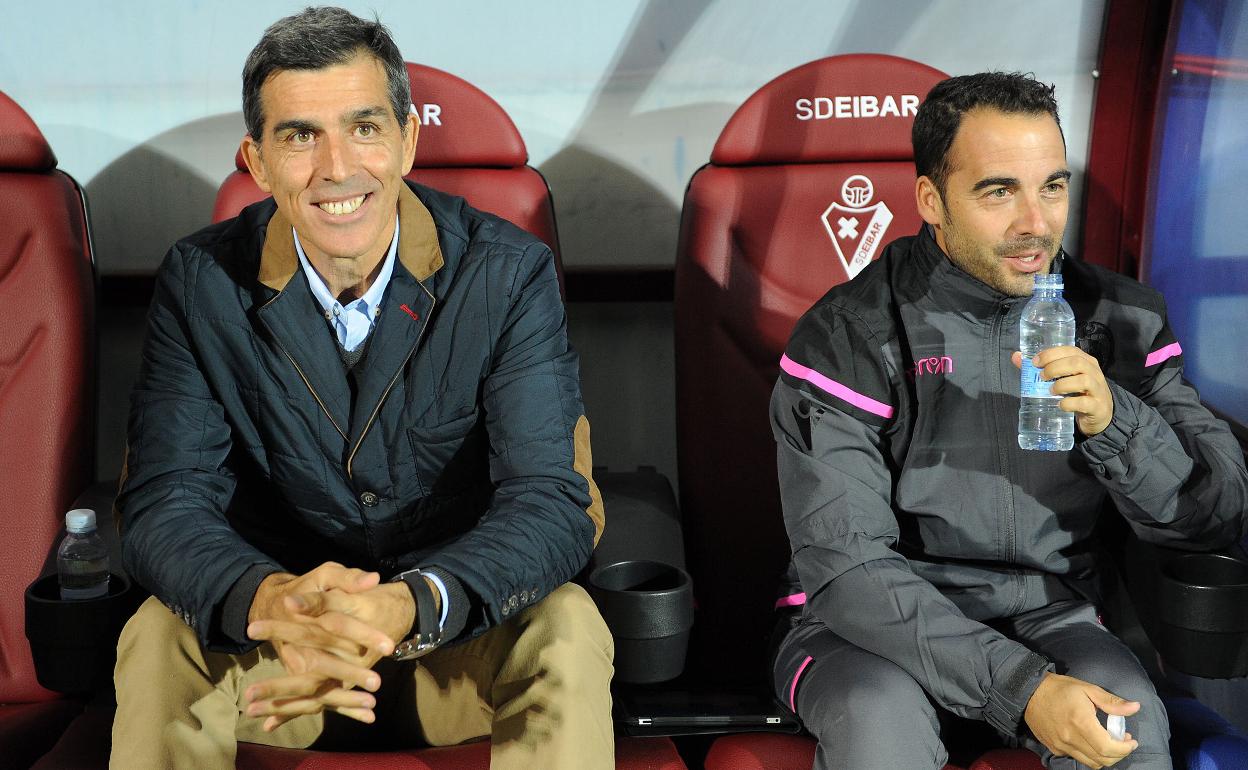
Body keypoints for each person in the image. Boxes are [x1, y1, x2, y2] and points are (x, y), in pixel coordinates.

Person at [110, 8, 612, 769]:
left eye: (365, 128)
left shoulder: (507, 274)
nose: (338, 166)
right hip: (280, 662)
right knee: (156, 634)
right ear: (257, 161)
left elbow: (549, 503)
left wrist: (408, 605)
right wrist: (273, 602)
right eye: (300, 135)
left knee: (569, 625)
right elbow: (164, 501)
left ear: (408, 141)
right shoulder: (201, 280)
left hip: (452, 653)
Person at [769, 71, 1247, 770]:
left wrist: (1119, 423)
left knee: (1123, 730)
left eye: (1052, 186)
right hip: (861, 629)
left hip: (1050, 614)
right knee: (881, 728)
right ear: (931, 200)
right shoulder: (850, 335)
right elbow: (846, 569)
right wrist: (1023, 690)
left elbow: (1219, 513)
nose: (1037, 222)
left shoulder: (1121, 319)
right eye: (999, 191)